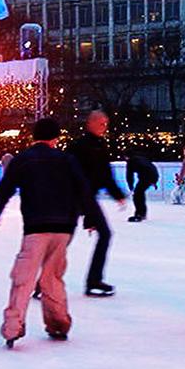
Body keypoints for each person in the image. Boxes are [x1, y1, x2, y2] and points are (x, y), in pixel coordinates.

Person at [0, 118, 104, 348]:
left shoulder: (23, 160)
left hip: (36, 226)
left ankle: (13, 326)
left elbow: (5, 188)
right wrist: (91, 217)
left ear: (34, 137)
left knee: (24, 277)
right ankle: (58, 324)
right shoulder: (67, 160)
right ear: (55, 138)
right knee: (53, 277)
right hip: (64, 228)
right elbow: (84, 189)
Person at [67, 110, 126, 297]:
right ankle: (41, 282)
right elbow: (73, 174)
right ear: (90, 123)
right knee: (61, 241)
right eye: (101, 123)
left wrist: (117, 194)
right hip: (74, 197)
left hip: (87, 197)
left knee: (105, 234)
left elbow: (104, 174)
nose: (104, 127)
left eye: (106, 124)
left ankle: (94, 280)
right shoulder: (79, 146)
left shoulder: (100, 145)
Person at [124, 151, 159, 222]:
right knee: (139, 193)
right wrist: (154, 181)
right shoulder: (141, 159)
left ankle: (140, 214)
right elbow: (152, 168)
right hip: (153, 175)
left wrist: (130, 186)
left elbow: (129, 175)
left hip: (146, 176)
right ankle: (142, 213)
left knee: (137, 195)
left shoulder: (130, 161)